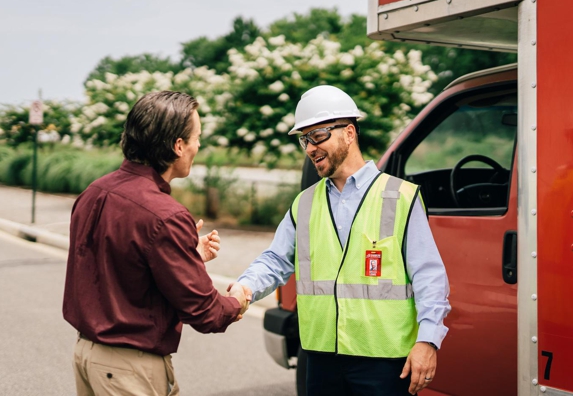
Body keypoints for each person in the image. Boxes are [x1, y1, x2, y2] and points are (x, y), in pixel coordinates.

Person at [235, 85, 451, 395]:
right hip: (322, 360)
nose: (310, 147)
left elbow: (429, 276)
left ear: (349, 133)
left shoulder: (400, 197)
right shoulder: (304, 203)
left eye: (318, 135)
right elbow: (276, 260)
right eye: (304, 139)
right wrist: (244, 288)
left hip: (385, 363)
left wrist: (428, 340)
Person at [63, 91, 249, 396]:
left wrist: (188, 258)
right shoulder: (166, 215)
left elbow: (119, 268)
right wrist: (237, 300)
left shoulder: (93, 193)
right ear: (178, 146)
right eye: (196, 138)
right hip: (128, 369)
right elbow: (204, 312)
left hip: (86, 356)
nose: (198, 146)